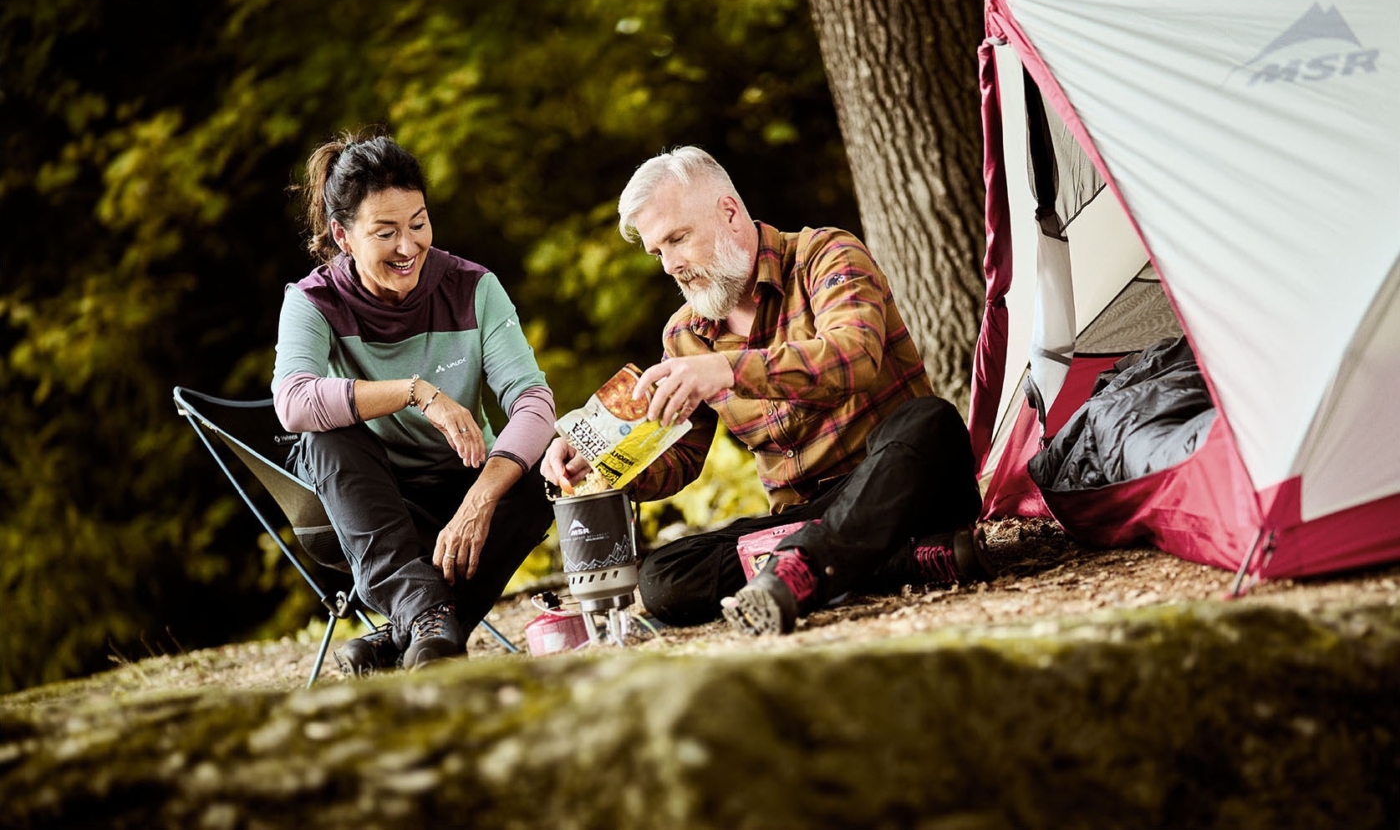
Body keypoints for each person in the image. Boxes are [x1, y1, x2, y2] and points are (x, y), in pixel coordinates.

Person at [543, 146, 991, 636]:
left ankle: (805, 564)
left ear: (729, 212)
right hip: (803, 518)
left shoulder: (827, 254)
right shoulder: (684, 334)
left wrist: (728, 370)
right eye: (658, 252)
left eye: (678, 239)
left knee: (930, 421)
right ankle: (898, 562)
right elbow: (679, 459)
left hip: (902, 486)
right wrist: (602, 460)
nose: (669, 264)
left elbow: (854, 356)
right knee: (664, 578)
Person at [273, 131, 555, 672]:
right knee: (323, 434)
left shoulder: (474, 288)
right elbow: (294, 401)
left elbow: (534, 400)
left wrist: (480, 499)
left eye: (418, 223)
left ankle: (412, 632)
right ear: (343, 235)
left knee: (549, 461)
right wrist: (416, 392)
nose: (408, 247)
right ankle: (426, 617)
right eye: (386, 232)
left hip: (460, 500)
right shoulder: (312, 302)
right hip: (361, 509)